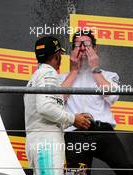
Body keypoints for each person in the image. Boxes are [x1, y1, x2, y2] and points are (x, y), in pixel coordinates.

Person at [60, 30, 133, 175]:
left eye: (87, 45)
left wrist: (95, 68)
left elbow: (112, 97)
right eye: (78, 45)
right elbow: (58, 100)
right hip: (74, 132)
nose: (82, 49)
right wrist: (73, 71)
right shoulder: (63, 78)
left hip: (102, 130)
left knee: (126, 169)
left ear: (95, 49)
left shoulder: (108, 75)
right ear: (72, 50)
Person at [24, 36, 91, 175]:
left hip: (40, 141)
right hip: (46, 144)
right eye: (60, 53)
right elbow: (45, 107)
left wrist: (75, 121)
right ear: (56, 55)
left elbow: (43, 118)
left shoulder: (35, 77)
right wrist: (73, 119)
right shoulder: (48, 73)